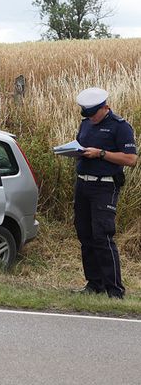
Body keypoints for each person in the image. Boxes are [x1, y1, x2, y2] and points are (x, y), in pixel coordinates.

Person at [73, 87, 137, 299]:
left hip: (104, 187)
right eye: (87, 114)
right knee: (85, 235)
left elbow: (130, 159)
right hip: (83, 184)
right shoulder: (85, 124)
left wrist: (101, 153)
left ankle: (115, 290)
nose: (90, 118)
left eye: (93, 114)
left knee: (102, 236)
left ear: (104, 108)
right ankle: (94, 284)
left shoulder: (120, 127)